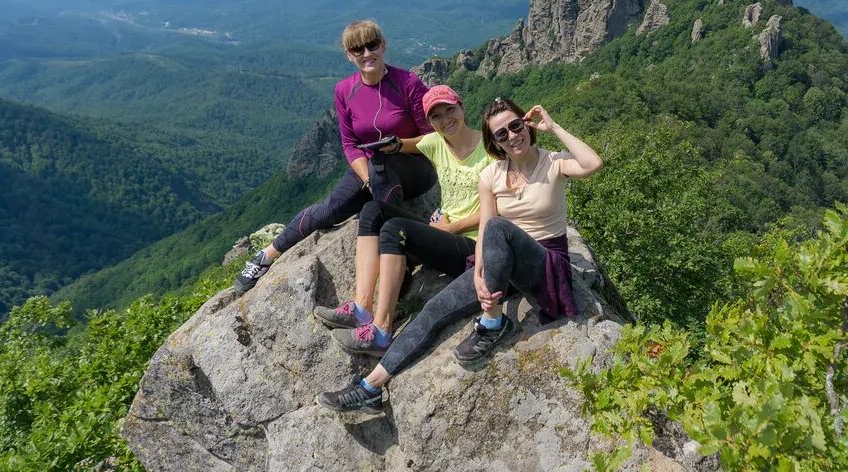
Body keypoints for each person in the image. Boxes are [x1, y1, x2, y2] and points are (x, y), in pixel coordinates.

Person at [317, 97, 602, 413]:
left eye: (515, 126)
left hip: (543, 263)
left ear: (527, 125)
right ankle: (371, 386)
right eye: (501, 135)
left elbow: (593, 164)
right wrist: (480, 273)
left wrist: (553, 126)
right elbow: (484, 235)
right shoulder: (491, 175)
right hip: (500, 263)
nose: (511, 137)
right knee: (434, 309)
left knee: (498, 226)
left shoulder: (554, 162)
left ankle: (493, 323)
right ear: (494, 142)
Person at [233, 20, 436, 294]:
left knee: (381, 173)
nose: (366, 54)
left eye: (372, 45)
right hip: (370, 170)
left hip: (414, 168)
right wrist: (367, 179)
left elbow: (433, 138)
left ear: (383, 45)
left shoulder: (407, 83)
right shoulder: (345, 90)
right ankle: (266, 255)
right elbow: (350, 144)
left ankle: (399, 267)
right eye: (357, 49)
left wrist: (399, 146)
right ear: (348, 55)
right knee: (330, 209)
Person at [314, 84, 491, 357]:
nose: (445, 119)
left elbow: (501, 207)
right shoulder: (435, 142)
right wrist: (391, 145)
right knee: (374, 210)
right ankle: (361, 309)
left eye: (450, 110)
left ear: (462, 107)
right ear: (430, 122)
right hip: (443, 233)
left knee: (396, 229)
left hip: (472, 245)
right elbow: (405, 144)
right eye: (436, 116)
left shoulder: (489, 147)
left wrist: (450, 227)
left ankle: (381, 332)